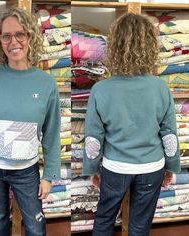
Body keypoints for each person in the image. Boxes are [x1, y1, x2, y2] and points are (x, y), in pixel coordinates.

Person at [0, 7, 61, 236]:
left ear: (30, 37)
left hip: (26, 171)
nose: (13, 41)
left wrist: (49, 176)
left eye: (20, 34)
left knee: (36, 227)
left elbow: (52, 134)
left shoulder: (46, 84)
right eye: (6, 35)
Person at [82, 13, 181, 236]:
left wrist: (91, 169)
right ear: (150, 46)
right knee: (140, 224)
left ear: (114, 45)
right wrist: (172, 167)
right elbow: (169, 136)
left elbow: (93, 138)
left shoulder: (101, 89)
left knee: (105, 217)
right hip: (151, 167)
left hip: (116, 168)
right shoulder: (161, 87)